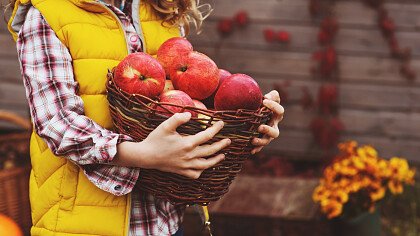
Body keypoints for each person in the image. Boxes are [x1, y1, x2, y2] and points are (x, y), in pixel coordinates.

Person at [7, 0, 285, 235]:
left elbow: (187, 100)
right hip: (81, 223)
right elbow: (57, 122)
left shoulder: (160, 11)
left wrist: (246, 121)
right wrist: (143, 154)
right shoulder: (49, 14)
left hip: (163, 221)